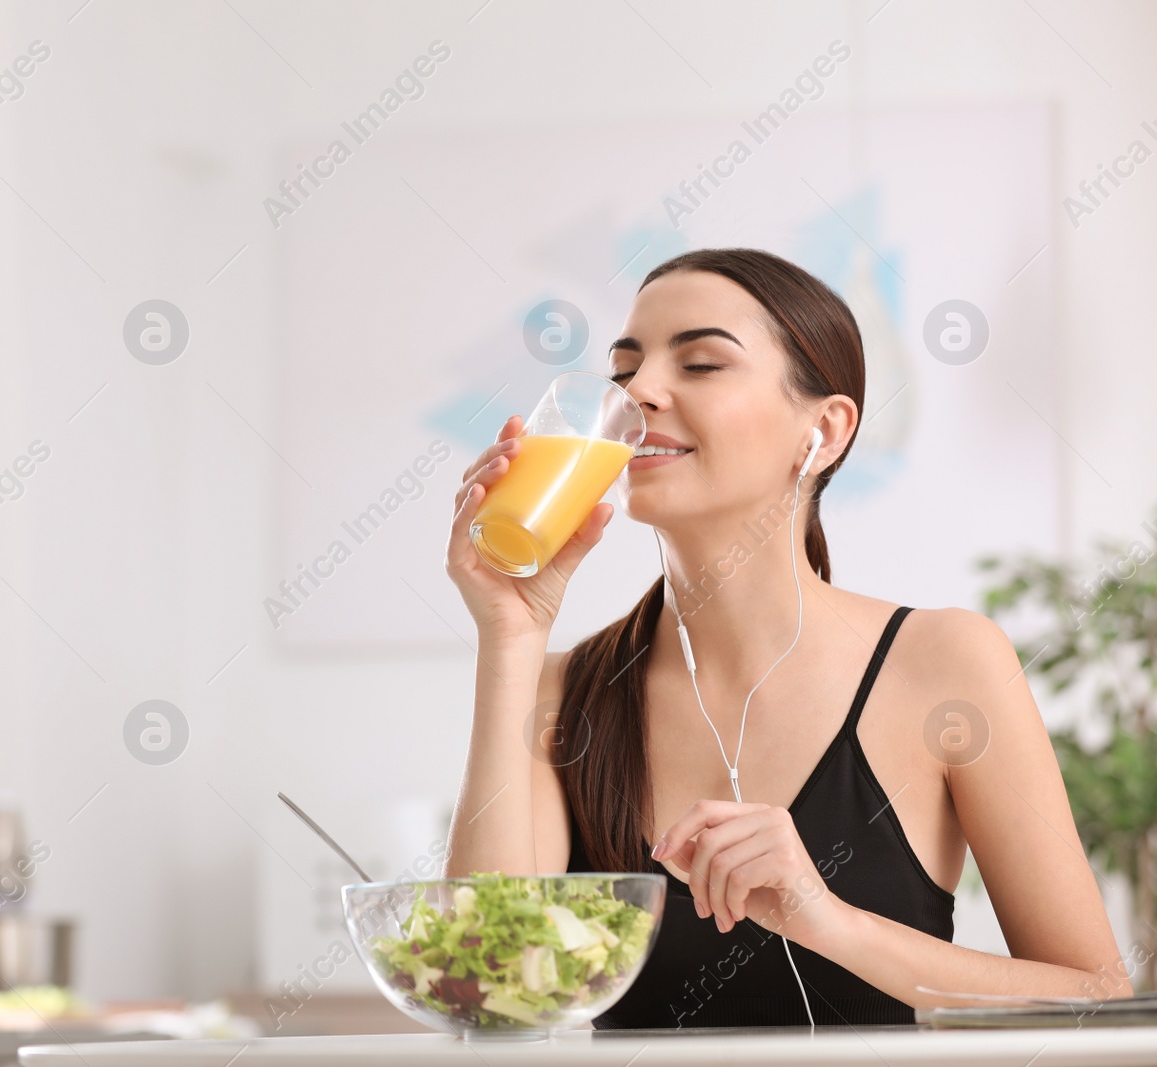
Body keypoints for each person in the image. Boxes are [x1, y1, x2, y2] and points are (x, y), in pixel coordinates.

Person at [442, 247, 1132, 1027]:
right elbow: (489, 996)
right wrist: (510, 630)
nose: (639, 393)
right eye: (623, 370)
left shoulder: (946, 663)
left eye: (700, 363)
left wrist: (828, 920)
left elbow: (1097, 996)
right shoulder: (557, 689)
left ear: (826, 430)